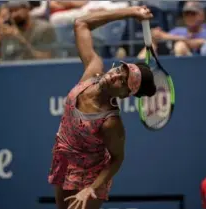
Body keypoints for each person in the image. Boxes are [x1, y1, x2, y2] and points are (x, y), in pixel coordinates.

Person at [47, 6, 156, 209]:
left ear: (124, 94)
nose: (115, 75)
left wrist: (92, 187)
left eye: (122, 81)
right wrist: (131, 12)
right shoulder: (93, 72)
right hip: (64, 159)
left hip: (89, 175)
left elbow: (117, 159)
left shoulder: (110, 123)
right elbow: (82, 23)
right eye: (119, 70)